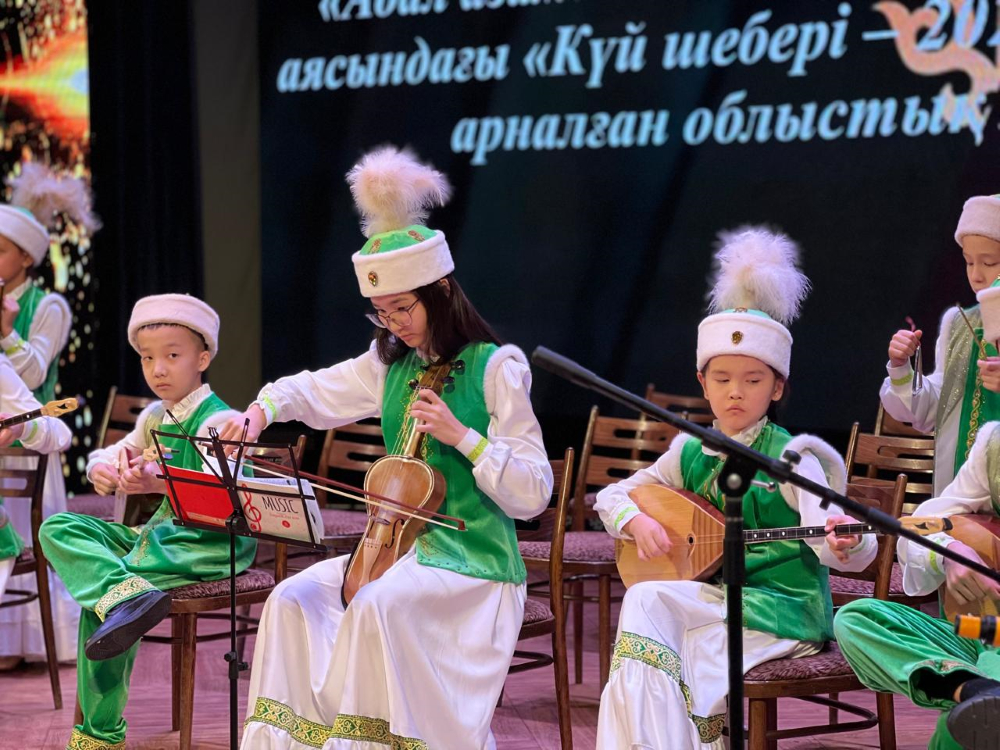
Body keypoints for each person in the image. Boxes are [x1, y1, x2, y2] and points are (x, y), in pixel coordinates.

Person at [231, 146, 553, 750]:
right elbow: (313, 389)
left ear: (441, 292)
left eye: (402, 308)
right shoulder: (390, 365)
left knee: (378, 605)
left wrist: (465, 439)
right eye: (381, 313)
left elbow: (534, 492)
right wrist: (260, 411)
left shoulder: (497, 368)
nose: (393, 324)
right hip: (399, 553)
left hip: (476, 564)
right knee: (291, 599)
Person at [594, 228, 877, 749]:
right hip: (720, 598)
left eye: (752, 380)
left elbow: (839, 544)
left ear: (777, 386)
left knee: (657, 616)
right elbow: (613, 496)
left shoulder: (795, 457)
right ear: (702, 383)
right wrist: (635, 520)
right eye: (722, 378)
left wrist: (847, 542)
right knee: (649, 609)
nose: (735, 392)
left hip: (784, 610)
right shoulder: (690, 449)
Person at [39, 294, 247, 750]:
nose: (158, 369)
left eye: (172, 356)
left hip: (205, 544)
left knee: (105, 597)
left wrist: (157, 485)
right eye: (148, 358)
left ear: (202, 359)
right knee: (59, 528)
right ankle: (127, 598)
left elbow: (221, 502)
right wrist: (103, 468)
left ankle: (99, 735)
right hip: (158, 536)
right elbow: (115, 451)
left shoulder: (222, 420)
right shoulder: (155, 415)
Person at [880, 195, 1000, 493]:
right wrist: (901, 369)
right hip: (959, 497)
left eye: (990, 262)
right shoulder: (959, 324)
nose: (976, 275)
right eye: (969, 262)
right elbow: (935, 410)